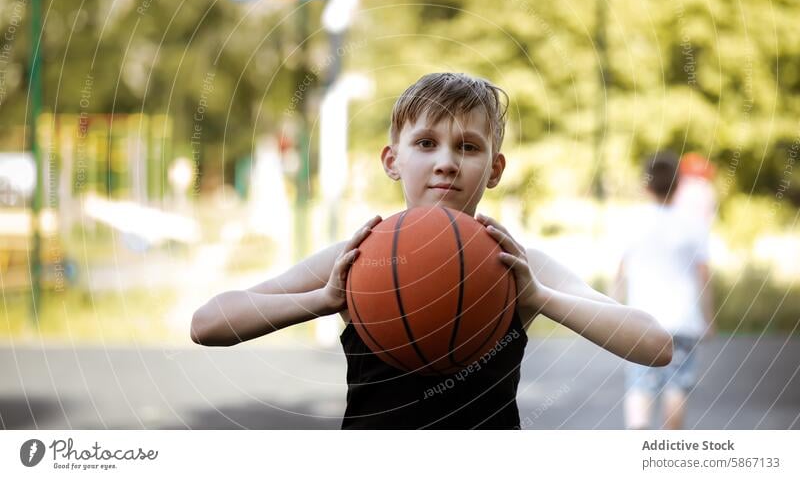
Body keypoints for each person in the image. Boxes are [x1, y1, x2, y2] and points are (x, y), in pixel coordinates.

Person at [191, 72, 673, 429]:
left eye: (467, 147)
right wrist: (324, 300)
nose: (446, 162)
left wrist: (540, 297)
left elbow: (655, 345)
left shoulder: (519, 267)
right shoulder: (357, 258)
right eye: (425, 143)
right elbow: (208, 324)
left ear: (495, 167)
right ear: (392, 160)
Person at [611, 151, 715, 430]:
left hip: (641, 321)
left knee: (639, 385)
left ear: (646, 185)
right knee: (676, 388)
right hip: (684, 320)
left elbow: (620, 271)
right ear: (679, 185)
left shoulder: (633, 221)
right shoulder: (694, 225)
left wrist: (612, 308)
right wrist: (708, 318)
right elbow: (703, 275)